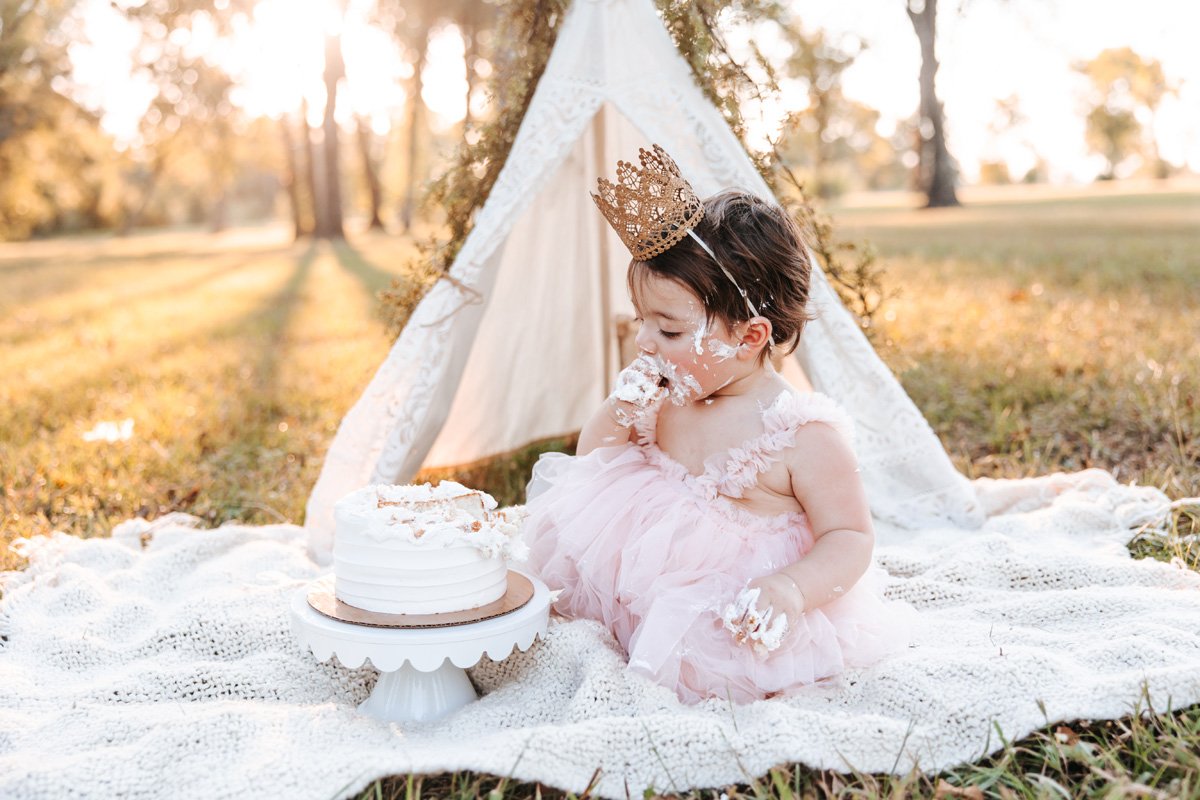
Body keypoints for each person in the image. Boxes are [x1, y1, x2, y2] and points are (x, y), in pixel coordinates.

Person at [522, 145, 917, 705]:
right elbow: (591, 467)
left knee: (714, 669)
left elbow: (849, 536)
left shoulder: (802, 435)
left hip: (730, 606)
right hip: (641, 571)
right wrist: (617, 412)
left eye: (670, 330)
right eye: (643, 321)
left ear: (749, 337)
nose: (644, 342)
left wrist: (791, 587)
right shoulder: (666, 394)